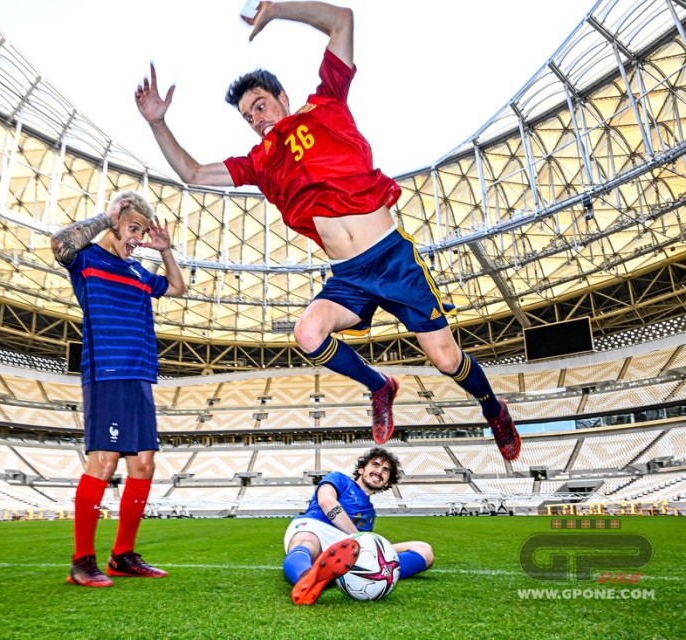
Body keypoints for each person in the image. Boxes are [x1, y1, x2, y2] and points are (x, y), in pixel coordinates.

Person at [134, 0, 520, 462]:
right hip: (348, 275)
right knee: (308, 332)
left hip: (392, 258)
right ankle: (380, 385)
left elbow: (343, 20)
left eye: (260, 105)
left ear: (282, 97)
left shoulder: (326, 104)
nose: (256, 118)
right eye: (247, 117)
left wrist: (277, 10)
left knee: (446, 359)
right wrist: (159, 123)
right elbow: (193, 173)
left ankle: (492, 407)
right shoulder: (259, 163)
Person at [51, 190, 186, 587]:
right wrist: (105, 216)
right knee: (105, 461)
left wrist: (164, 251)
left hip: (140, 376)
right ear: (114, 223)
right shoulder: (89, 260)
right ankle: (81, 561)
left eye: (143, 232)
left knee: (144, 464)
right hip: (106, 374)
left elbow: (178, 288)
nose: (137, 238)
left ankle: (122, 556)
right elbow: (60, 244)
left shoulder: (141, 274)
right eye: (133, 229)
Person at [282, 447, 434, 605]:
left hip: (348, 549)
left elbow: (365, 544)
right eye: (375, 464)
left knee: (425, 551)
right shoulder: (339, 479)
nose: (379, 471)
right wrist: (359, 539)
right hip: (316, 527)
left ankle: (333, 574)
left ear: (387, 481)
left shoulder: (370, 514)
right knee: (307, 541)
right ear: (361, 469)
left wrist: (368, 545)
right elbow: (326, 502)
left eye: (386, 470)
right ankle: (307, 578)